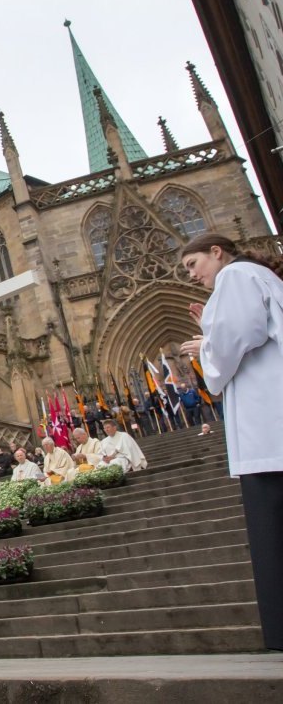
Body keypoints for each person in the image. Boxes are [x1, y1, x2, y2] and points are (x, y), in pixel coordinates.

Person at [179, 233, 283, 651]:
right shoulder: (255, 277)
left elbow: (235, 342)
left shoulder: (237, 277)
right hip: (269, 421)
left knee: (272, 527)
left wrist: (208, 344)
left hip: (269, 428)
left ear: (216, 252)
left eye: (193, 265)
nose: (192, 275)